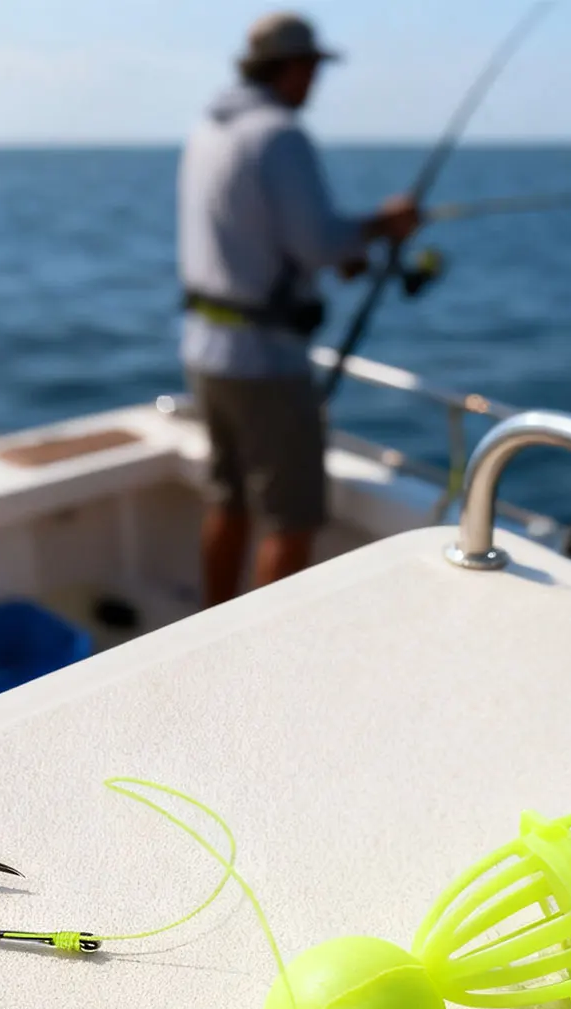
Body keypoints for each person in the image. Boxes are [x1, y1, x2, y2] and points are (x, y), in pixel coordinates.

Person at [178, 13, 419, 607]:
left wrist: (346, 244)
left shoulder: (211, 127)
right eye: (313, 68)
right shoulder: (278, 134)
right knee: (292, 518)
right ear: (292, 67)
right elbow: (318, 244)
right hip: (266, 362)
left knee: (227, 498)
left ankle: (209, 630)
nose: (315, 82)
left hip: (206, 350)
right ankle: (259, 670)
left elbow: (258, 238)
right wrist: (382, 226)